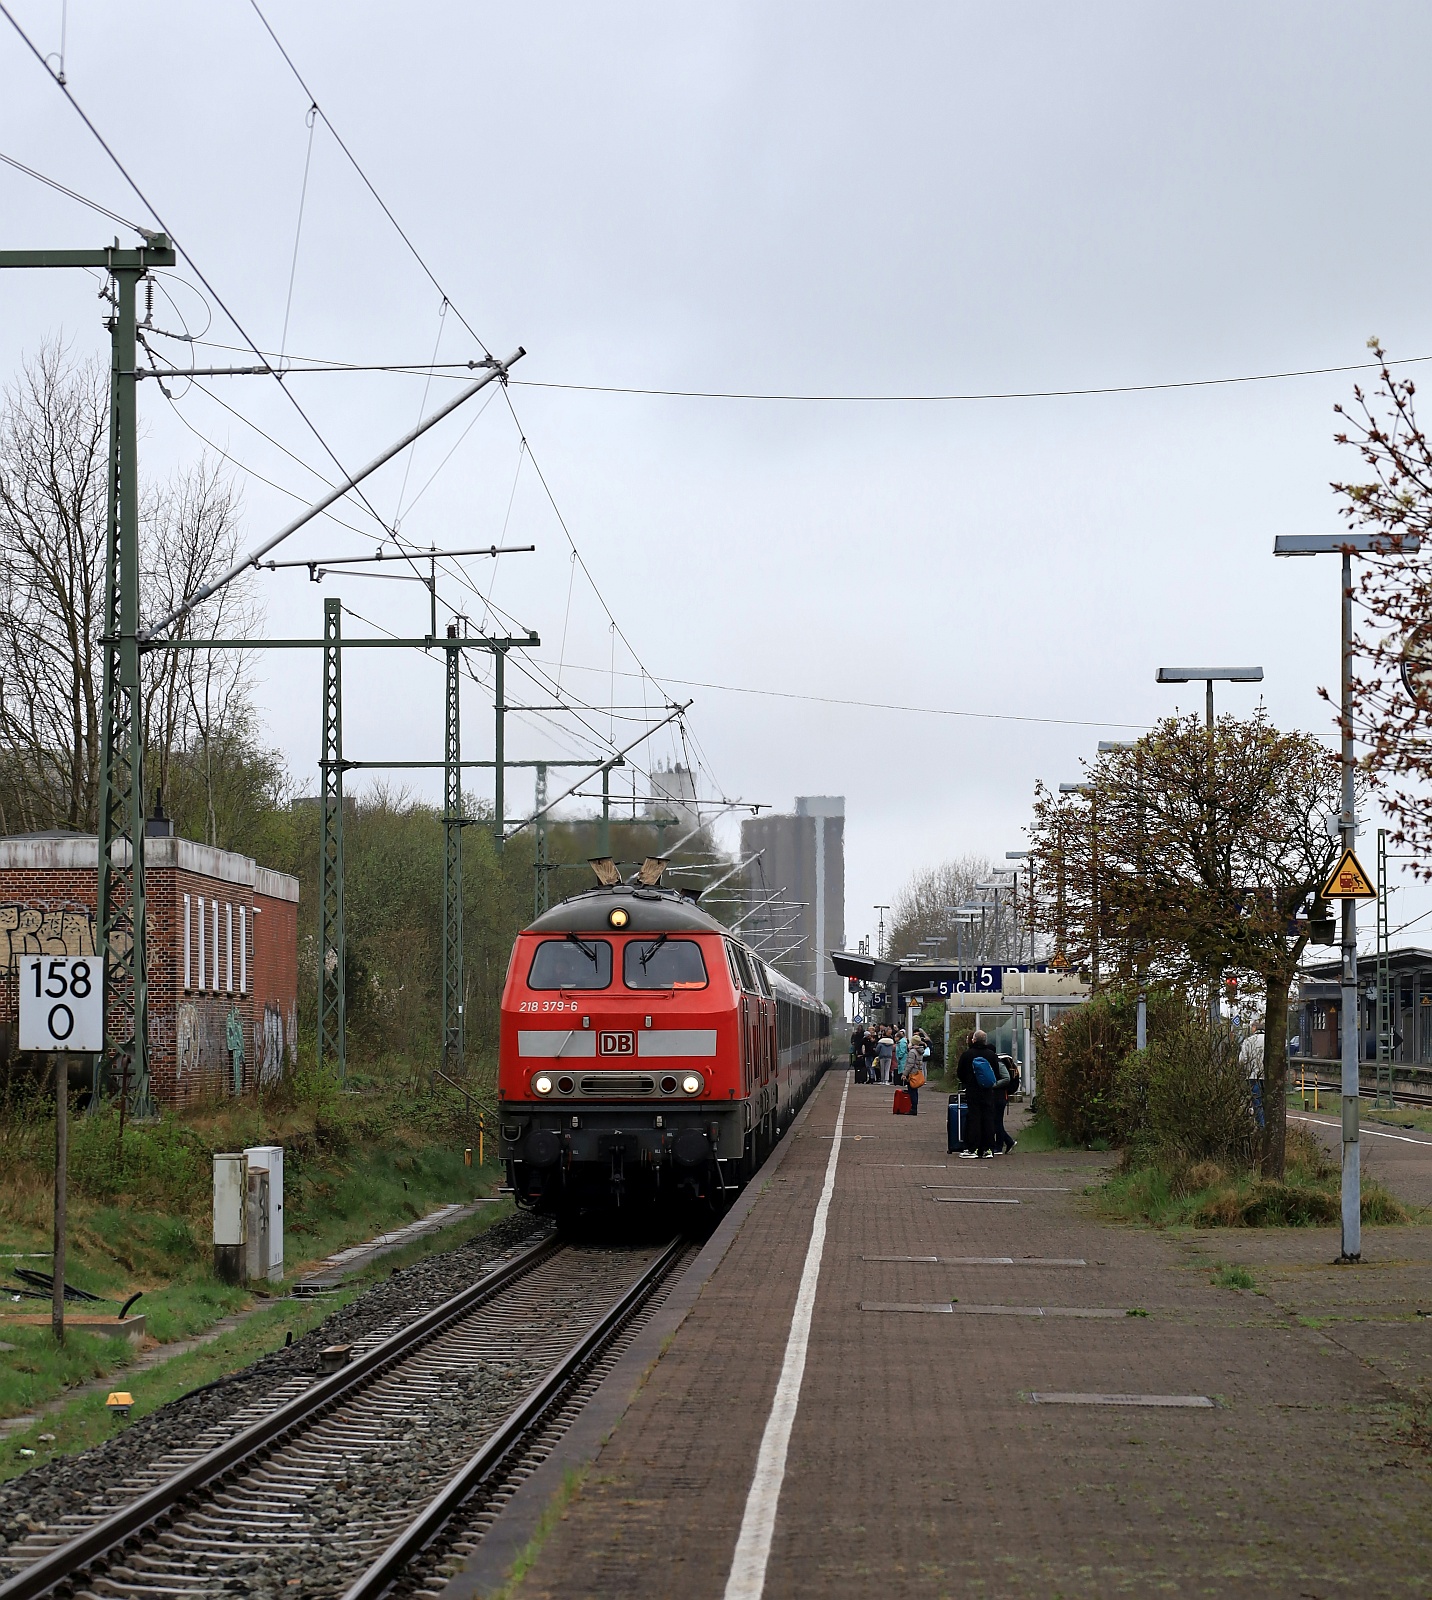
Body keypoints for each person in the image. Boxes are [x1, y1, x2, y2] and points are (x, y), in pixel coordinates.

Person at [956, 1029, 1000, 1158]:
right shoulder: (991, 1055)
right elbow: (996, 1074)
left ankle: (973, 1149)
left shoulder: (967, 1054)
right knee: (988, 1118)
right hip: (987, 1091)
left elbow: (960, 1073)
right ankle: (988, 1149)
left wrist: (968, 1082)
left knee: (974, 1118)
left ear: (973, 1040)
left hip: (972, 1091)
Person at [992, 1052, 1018, 1154]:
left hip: (999, 1096)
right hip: (1001, 1096)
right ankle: (1006, 1142)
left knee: (996, 1122)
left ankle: (1001, 1145)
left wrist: (993, 1085)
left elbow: (1006, 1078)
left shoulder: (997, 1063)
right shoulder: (997, 1062)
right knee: (997, 1122)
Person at [907, 1031, 927, 1115]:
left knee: (911, 1091)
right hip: (918, 1071)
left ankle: (913, 1108)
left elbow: (910, 1064)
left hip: (912, 1073)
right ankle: (914, 1107)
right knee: (915, 1091)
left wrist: (905, 1074)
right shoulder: (920, 1051)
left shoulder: (912, 1052)